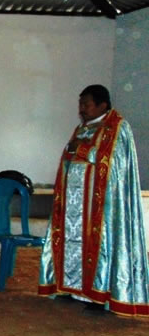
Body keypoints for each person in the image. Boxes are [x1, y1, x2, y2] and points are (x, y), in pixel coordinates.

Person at [39, 84, 149, 317]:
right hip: (76, 203)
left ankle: (100, 296)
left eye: (86, 104)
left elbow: (110, 162)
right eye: (80, 104)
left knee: (100, 244)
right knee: (73, 243)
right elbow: (70, 157)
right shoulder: (82, 128)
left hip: (102, 204)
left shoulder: (117, 128)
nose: (81, 109)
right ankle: (72, 288)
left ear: (102, 105)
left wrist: (81, 151)